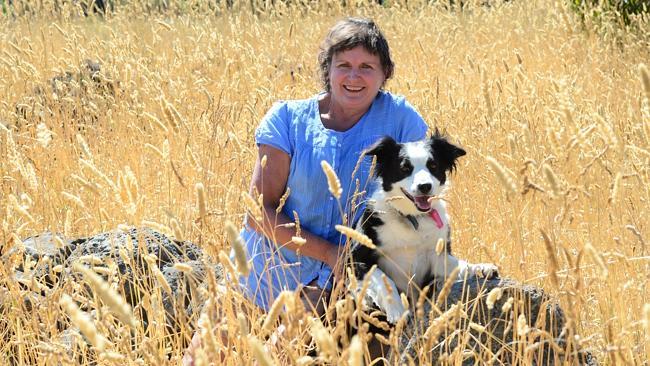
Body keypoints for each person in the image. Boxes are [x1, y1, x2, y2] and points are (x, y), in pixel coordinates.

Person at [183, 17, 428, 364]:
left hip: (335, 279)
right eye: (343, 65)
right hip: (266, 262)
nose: (354, 77)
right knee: (201, 358)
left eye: (367, 67)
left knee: (276, 356)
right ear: (327, 69)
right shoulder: (287, 119)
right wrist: (329, 252)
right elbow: (257, 212)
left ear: (385, 73)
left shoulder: (402, 121)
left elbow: (417, 199)